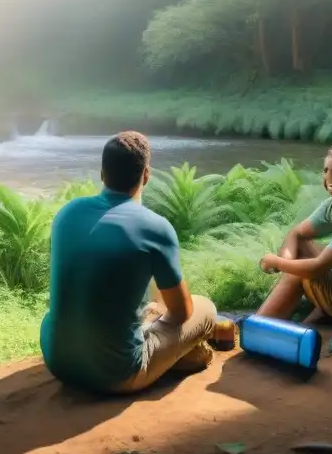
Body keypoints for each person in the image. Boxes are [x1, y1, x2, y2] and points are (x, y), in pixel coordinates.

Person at [39, 131, 218, 394]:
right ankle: (176, 357)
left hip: (57, 360)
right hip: (117, 374)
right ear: (146, 175)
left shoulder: (67, 213)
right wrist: (157, 312)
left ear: (102, 174)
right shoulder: (155, 227)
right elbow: (181, 314)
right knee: (205, 309)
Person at [256, 143, 332, 324]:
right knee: (301, 249)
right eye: (326, 170)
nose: (330, 178)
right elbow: (296, 233)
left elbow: (317, 268)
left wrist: (278, 263)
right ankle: (297, 314)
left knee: (300, 270)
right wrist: (288, 262)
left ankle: (260, 324)